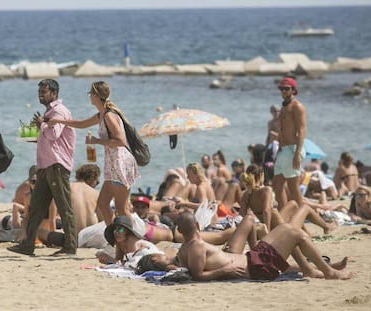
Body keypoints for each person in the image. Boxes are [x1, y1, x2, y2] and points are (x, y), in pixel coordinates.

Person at [48, 81, 139, 226]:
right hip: (112, 166)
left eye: (90, 93)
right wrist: (58, 120)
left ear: (96, 95)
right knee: (102, 204)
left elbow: (121, 141)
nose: (89, 96)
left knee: (122, 209)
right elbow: (82, 124)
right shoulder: (101, 115)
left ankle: (130, 241)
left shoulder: (109, 115)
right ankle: (114, 238)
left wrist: (96, 141)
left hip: (120, 164)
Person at [174, 211, 354, 281]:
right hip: (256, 267)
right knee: (296, 234)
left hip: (252, 260)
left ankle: (312, 269)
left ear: (179, 231)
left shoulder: (185, 248)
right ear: (197, 226)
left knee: (285, 228)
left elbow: (181, 268)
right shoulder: (196, 246)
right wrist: (222, 272)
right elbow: (197, 275)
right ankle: (329, 272)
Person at [8, 79, 77, 257]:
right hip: (46, 166)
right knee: (36, 207)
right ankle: (27, 244)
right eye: (39, 91)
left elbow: (53, 134)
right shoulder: (50, 112)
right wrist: (35, 133)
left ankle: (70, 246)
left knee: (64, 207)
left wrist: (41, 125)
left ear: (54, 93)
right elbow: (48, 137)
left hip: (57, 165)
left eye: (44, 91)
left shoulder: (59, 111)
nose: (40, 94)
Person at [38, 164, 102, 247]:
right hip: (93, 238)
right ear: (92, 178)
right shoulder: (97, 194)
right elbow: (101, 222)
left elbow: (52, 219)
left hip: (72, 240)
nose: (96, 184)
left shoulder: (65, 188)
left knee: (38, 231)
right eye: (97, 182)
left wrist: (52, 236)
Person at [272, 77, 306, 210]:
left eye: (287, 89)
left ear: (293, 90)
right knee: (277, 185)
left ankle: (302, 215)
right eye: (282, 89)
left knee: (293, 187)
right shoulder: (284, 106)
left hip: (292, 150)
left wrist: (297, 154)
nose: (283, 91)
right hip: (283, 150)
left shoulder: (297, 106)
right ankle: (285, 214)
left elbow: (301, 131)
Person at [96, 215, 163, 267]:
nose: (117, 232)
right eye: (115, 230)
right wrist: (107, 260)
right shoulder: (119, 242)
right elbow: (119, 261)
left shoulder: (131, 239)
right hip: (143, 261)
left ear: (127, 232)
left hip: (152, 256)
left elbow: (132, 262)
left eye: (120, 229)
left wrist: (109, 260)